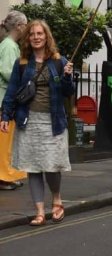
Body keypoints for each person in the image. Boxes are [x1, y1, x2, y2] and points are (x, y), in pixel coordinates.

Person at [0, 20, 74, 226]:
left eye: (40, 33)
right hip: (28, 120)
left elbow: (68, 92)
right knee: (32, 168)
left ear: (46, 36)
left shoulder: (59, 61)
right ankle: (39, 211)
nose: (36, 37)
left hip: (53, 122)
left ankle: (56, 199)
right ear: (28, 38)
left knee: (51, 167)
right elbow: (12, 91)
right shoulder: (22, 63)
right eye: (32, 34)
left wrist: (67, 76)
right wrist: (5, 116)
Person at [0, 11, 27, 191]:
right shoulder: (9, 46)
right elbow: (8, 72)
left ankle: (8, 175)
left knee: (7, 141)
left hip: (5, 99)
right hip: (4, 100)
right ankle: (4, 177)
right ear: (18, 27)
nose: (26, 28)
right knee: (4, 142)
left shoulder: (9, 45)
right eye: (25, 25)